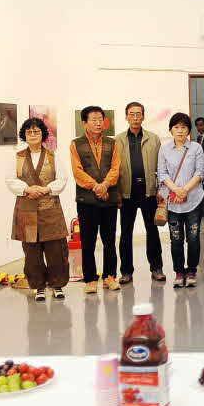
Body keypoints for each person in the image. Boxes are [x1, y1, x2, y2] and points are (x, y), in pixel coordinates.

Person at [7, 117, 70, 301]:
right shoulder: (17, 157)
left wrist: (47, 189)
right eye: (29, 132)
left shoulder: (53, 155)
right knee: (31, 251)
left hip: (50, 208)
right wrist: (27, 189)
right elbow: (10, 179)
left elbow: (62, 179)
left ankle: (57, 284)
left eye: (36, 131)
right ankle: (38, 286)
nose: (33, 134)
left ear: (43, 134)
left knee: (56, 249)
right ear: (24, 135)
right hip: (26, 208)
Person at [71, 105, 122, 293]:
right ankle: (90, 279)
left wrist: (105, 185)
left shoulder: (112, 143)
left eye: (101, 119)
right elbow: (77, 171)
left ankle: (110, 276)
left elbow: (116, 168)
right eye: (94, 119)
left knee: (109, 239)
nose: (98, 123)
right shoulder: (75, 144)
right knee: (88, 240)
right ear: (84, 123)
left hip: (109, 198)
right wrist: (96, 186)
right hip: (87, 200)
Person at [116, 101, 165, 284]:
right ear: (126, 117)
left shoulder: (154, 139)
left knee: (152, 231)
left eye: (138, 114)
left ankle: (157, 268)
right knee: (126, 233)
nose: (135, 117)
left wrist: (161, 189)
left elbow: (161, 167)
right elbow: (114, 169)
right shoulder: (118, 140)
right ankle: (126, 271)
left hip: (148, 191)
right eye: (132, 114)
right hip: (127, 193)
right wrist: (117, 193)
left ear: (143, 116)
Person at [158, 112, 204, 288]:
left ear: (188, 130)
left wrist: (185, 190)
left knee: (193, 237)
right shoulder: (164, 149)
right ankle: (179, 272)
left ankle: (192, 271)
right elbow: (162, 173)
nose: (180, 130)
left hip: (193, 200)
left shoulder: (196, 148)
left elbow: (200, 172)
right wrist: (176, 190)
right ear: (170, 129)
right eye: (176, 127)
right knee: (176, 238)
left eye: (184, 127)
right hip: (173, 202)